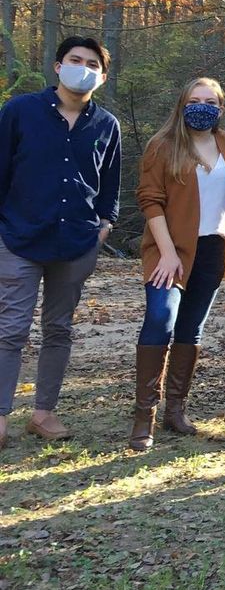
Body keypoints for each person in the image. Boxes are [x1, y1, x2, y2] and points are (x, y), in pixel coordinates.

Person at [0, 36, 121, 449]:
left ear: (101, 77)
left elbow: (110, 185)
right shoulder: (19, 112)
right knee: (10, 329)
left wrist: (105, 225)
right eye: (74, 59)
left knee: (59, 329)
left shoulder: (106, 124)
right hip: (19, 238)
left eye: (91, 63)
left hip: (75, 244)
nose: (82, 67)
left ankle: (43, 413)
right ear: (57, 66)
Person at [130, 77, 225, 450]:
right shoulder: (163, 146)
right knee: (160, 320)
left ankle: (176, 411)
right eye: (195, 99)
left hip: (213, 249)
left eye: (210, 101)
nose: (202, 106)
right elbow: (150, 201)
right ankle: (144, 417)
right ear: (182, 104)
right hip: (170, 249)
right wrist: (166, 251)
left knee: (191, 328)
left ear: (219, 107)